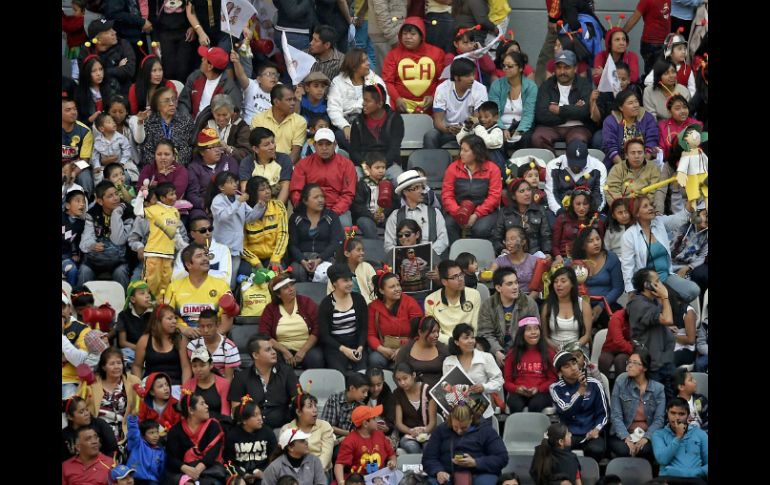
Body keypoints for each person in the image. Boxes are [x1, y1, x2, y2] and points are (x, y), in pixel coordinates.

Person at [620, 198, 700, 302]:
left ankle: (674, 306)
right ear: (637, 213)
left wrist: (691, 201)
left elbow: (679, 219)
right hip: (648, 283)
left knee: (693, 290)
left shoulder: (659, 222)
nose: (650, 208)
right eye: (645, 206)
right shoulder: (629, 235)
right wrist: (631, 291)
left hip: (666, 276)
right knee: (669, 301)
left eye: (650, 204)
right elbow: (627, 266)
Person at [422, 398, 509, 485]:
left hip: (480, 473)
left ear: (471, 418)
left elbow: (502, 458)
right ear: (451, 419)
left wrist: (476, 462)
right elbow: (429, 458)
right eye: (455, 427)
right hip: (447, 473)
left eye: (464, 427)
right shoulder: (441, 430)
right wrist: (438, 471)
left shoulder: (486, 431)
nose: (459, 431)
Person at [164, 243, 237, 337]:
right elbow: (166, 318)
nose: (205, 258)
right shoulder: (174, 287)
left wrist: (210, 337)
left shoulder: (222, 286)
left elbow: (227, 322)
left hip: (213, 338)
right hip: (182, 337)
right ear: (188, 264)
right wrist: (183, 329)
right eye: (199, 256)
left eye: (206, 255)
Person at [228, 334, 299, 430]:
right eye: (268, 350)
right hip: (252, 431)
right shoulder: (241, 378)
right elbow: (236, 410)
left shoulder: (287, 372)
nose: (274, 352)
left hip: (283, 429)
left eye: (273, 349)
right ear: (255, 355)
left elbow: (298, 401)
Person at [290, 128, 358, 227]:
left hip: (338, 210)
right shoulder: (303, 164)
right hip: (309, 209)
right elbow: (296, 192)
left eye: (328, 144)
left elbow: (348, 194)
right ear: (314, 145)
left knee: (346, 226)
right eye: (320, 144)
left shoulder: (347, 165)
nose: (324, 148)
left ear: (335, 145)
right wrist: (307, 210)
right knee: (298, 226)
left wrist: (333, 213)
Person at [442, 134, 503, 242]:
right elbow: (447, 195)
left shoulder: (493, 169)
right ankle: (455, 252)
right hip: (458, 209)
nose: (461, 153)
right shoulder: (453, 168)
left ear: (476, 152)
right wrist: (459, 214)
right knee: (448, 225)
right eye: (461, 149)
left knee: (481, 229)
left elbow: (494, 197)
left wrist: (476, 215)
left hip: (484, 210)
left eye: (465, 151)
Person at [549, 351, 608, 462]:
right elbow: (566, 410)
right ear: (560, 373)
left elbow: (604, 413)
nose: (573, 368)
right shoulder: (555, 388)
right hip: (568, 434)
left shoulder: (594, 384)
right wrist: (580, 392)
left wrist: (597, 429)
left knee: (596, 450)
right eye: (567, 366)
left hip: (590, 432)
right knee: (557, 451)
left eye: (574, 363)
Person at [207, 170, 262, 288]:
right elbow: (223, 217)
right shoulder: (218, 200)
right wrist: (238, 202)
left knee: (232, 278)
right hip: (222, 245)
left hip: (236, 245)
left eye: (235, 182)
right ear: (221, 187)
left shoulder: (238, 198)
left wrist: (260, 206)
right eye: (230, 182)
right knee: (221, 276)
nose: (235, 185)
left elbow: (250, 218)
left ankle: (230, 296)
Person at [626, 269, 677, 393]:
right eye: (657, 281)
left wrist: (665, 329)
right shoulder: (638, 304)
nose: (661, 285)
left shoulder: (652, 300)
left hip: (665, 361)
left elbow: (659, 321)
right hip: (653, 366)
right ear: (647, 285)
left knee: (671, 401)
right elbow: (667, 319)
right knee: (655, 400)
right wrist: (665, 296)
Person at [259, 273, 326, 369]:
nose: (291, 289)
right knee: (273, 359)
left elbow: (317, 327)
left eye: (292, 285)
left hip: (307, 348)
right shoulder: (270, 309)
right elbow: (264, 334)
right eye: (286, 288)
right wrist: (284, 351)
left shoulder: (306, 302)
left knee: (316, 358)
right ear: (278, 294)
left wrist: (303, 350)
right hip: (281, 349)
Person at [609, 347, 665, 460]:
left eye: (635, 363)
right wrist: (626, 438)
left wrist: (646, 437)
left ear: (644, 368)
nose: (630, 365)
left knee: (645, 450)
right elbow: (616, 415)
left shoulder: (658, 389)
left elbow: (659, 419)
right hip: (623, 432)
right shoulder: (621, 381)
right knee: (625, 450)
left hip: (646, 433)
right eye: (629, 362)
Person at [532, 50, 593, 152]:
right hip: (550, 127)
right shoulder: (547, 85)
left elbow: (585, 111)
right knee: (537, 138)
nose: (562, 72)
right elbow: (541, 114)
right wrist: (572, 111)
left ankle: (572, 162)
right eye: (559, 67)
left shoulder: (584, 85)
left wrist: (559, 110)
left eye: (567, 67)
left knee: (578, 139)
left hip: (577, 127)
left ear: (575, 68)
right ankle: (552, 161)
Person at [382, 16, 445, 114]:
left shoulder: (437, 53)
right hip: (399, 106)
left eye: (413, 34)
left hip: (430, 106)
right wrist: (397, 98)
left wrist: (433, 96)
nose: (408, 37)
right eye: (404, 34)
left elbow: (442, 80)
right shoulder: (392, 55)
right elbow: (387, 81)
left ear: (421, 36)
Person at [79, 346, 141, 445]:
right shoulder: (90, 384)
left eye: (119, 363)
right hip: (97, 437)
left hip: (126, 436)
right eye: (112, 363)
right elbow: (79, 407)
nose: (117, 367)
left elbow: (141, 409)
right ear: (103, 367)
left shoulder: (134, 382)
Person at [478, 267, 540, 364]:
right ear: (498, 288)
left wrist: (514, 352)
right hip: (494, 351)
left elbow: (534, 331)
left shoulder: (528, 303)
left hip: (521, 348)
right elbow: (485, 333)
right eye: (510, 284)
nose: (515, 287)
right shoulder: (488, 305)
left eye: (516, 282)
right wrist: (497, 351)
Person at [78, 181, 134, 288]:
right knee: (84, 271)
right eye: (110, 196)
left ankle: (124, 299)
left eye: (116, 194)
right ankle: (81, 298)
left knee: (121, 272)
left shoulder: (127, 212)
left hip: (119, 261)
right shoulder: (93, 213)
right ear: (100, 201)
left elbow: (119, 240)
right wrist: (92, 245)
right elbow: (85, 240)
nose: (116, 198)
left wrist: (116, 213)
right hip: (96, 260)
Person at [327, 48, 388, 146]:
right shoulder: (338, 82)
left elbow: (385, 104)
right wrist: (345, 126)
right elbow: (333, 109)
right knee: (340, 136)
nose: (368, 63)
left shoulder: (375, 80)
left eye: (367, 60)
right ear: (354, 66)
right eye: (364, 61)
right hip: (347, 123)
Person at [443, 323, 505, 419]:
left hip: (482, 413)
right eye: (466, 338)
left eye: (472, 337)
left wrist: (484, 387)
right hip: (459, 415)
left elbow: (499, 381)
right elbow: (446, 388)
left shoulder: (486, 357)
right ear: (456, 342)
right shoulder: (448, 362)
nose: (470, 341)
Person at [424, 58, 488, 149]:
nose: (472, 78)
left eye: (473, 74)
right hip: (447, 131)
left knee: (480, 134)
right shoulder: (442, 88)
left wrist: (464, 129)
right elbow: (438, 121)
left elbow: (477, 117)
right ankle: (432, 158)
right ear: (456, 77)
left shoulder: (480, 89)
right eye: (467, 76)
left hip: (470, 131)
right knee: (430, 136)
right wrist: (447, 129)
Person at [287, 183, 345, 282]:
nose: (321, 200)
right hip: (302, 258)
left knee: (327, 271)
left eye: (322, 197)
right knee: (297, 272)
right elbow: (292, 245)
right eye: (316, 197)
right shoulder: (296, 218)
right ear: (305, 201)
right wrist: (303, 260)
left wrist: (319, 259)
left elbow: (335, 242)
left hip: (325, 257)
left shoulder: (331, 216)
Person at [319, 263, 370, 373]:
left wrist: (360, 347)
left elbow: (364, 328)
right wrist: (344, 350)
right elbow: (324, 335)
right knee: (339, 374)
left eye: (350, 280)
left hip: (356, 344)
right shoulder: (326, 304)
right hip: (335, 346)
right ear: (334, 283)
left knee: (362, 374)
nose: (350, 283)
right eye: (345, 281)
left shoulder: (359, 299)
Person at [165, 392, 226, 484]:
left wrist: (197, 470)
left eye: (205, 403)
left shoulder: (213, 425)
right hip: (184, 471)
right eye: (202, 404)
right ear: (191, 410)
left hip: (209, 470)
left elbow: (213, 452)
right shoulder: (176, 430)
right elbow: (172, 457)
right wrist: (186, 469)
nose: (207, 406)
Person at [384, 171, 450, 257]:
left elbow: (443, 240)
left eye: (422, 187)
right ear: (405, 192)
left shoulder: (435, 213)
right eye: (416, 188)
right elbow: (389, 245)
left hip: (431, 259)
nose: (422, 191)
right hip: (404, 261)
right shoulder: (395, 216)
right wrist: (405, 257)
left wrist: (426, 255)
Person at [368, 270, 424, 368]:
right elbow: (370, 335)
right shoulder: (373, 307)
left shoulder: (410, 302)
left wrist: (404, 349)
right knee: (374, 359)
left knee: (402, 364)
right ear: (382, 291)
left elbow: (420, 331)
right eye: (392, 287)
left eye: (398, 285)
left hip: (408, 347)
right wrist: (382, 349)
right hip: (385, 348)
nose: (397, 289)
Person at [503, 315, 557, 415]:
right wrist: (517, 389)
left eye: (536, 328)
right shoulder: (512, 354)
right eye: (528, 329)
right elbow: (507, 382)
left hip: (541, 392)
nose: (533, 332)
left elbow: (553, 379)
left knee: (535, 404)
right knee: (515, 405)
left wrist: (538, 389)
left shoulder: (549, 352)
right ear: (521, 333)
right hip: (518, 392)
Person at [571, 226, 624, 328]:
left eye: (598, 239)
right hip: (582, 305)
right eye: (590, 241)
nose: (596, 243)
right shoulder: (576, 262)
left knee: (616, 321)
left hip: (607, 304)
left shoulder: (611, 258)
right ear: (582, 245)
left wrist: (600, 306)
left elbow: (618, 288)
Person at [349, 85, 405, 179]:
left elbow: (394, 149)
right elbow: (354, 151)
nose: (363, 104)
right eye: (363, 100)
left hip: (388, 164)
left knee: (399, 178)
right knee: (355, 176)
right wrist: (365, 166)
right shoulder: (358, 121)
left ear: (379, 104)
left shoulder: (395, 119)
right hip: (364, 165)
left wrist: (379, 167)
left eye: (367, 101)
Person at [334, 405, 397, 484]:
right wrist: (341, 481)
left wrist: (392, 462)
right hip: (359, 481)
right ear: (365, 423)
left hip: (380, 479)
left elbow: (392, 455)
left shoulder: (380, 435)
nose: (377, 421)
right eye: (374, 418)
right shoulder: (350, 440)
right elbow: (339, 464)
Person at [133, 305, 192, 389]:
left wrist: (184, 390)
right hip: (152, 388)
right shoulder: (145, 340)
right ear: (158, 321)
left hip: (175, 386)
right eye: (169, 318)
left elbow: (186, 367)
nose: (174, 321)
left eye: (175, 318)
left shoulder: (180, 339)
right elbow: (137, 366)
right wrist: (139, 386)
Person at [186, 127, 240, 219]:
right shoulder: (194, 167)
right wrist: (207, 206)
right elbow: (192, 194)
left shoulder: (230, 161)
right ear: (202, 152)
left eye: (218, 146)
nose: (217, 150)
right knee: (199, 221)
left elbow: (236, 186)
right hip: (205, 206)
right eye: (212, 147)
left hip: (230, 203)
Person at [651, 398, 708, 484]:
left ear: (688, 415)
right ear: (667, 412)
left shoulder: (700, 434)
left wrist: (695, 472)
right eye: (673, 413)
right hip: (668, 478)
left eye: (681, 414)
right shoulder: (658, 434)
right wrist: (678, 437)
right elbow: (662, 460)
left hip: (694, 479)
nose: (677, 418)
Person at [489, 51, 538, 151]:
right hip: (499, 125)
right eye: (504, 66)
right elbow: (494, 113)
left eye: (510, 66)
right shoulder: (496, 85)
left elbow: (528, 114)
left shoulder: (531, 87)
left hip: (523, 126)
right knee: (496, 137)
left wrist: (519, 131)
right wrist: (502, 128)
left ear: (520, 68)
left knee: (525, 138)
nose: (505, 68)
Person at [240, 175, 290, 274]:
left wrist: (275, 258)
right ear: (253, 193)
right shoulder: (243, 210)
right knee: (245, 273)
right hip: (251, 257)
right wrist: (256, 263)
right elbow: (241, 245)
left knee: (275, 274)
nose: (267, 192)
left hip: (274, 256)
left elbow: (283, 235)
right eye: (262, 190)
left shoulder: (278, 206)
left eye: (268, 188)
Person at [424, 260, 482, 344]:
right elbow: (432, 331)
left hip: (468, 342)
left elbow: (475, 326)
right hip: (443, 344)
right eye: (455, 277)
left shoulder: (474, 294)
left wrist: (466, 341)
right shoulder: (430, 300)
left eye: (461, 275)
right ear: (444, 282)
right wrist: (453, 342)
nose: (461, 279)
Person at [178, 46, 242, 119]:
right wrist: (187, 121)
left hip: (213, 125)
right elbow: (183, 102)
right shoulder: (195, 76)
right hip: (190, 122)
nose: (202, 59)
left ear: (210, 67)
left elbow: (232, 114)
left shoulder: (230, 88)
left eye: (205, 58)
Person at [493, 178, 552, 258]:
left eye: (528, 190)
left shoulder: (539, 210)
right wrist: (502, 249)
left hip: (534, 254)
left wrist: (547, 252)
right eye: (522, 191)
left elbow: (546, 235)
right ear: (513, 196)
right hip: (512, 254)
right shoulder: (504, 212)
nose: (527, 194)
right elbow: (497, 238)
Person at [136, 86, 194, 166]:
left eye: (173, 100)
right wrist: (160, 166)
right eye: (166, 101)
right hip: (154, 168)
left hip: (180, 167)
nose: (171, 103)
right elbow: (146, 150)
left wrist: (175, 165)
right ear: (157, 105)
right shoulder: (149, 122)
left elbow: (188, 148)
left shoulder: (186, 121)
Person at [225, 397, 278, 484]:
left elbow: (275, 457)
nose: (260, 418)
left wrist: (264, 471)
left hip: (263, 475)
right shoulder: (233, 435)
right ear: (244, 420)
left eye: (260, 414)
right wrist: (242, 475)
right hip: (240, 476)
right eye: (255, 415)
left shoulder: (268, 432)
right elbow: (227, 462)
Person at [78, 18, 137, 95]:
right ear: (98, 40)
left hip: (122, 92)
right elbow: (86, 75)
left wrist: (99, 71)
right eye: (108, 32)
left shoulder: (123, 44)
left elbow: (129, 71)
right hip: (95, 94)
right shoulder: (87, 50)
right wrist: (118, 68)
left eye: (112, 29)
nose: (114, 32)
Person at [280, 392, 336, 473]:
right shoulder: (286, 430)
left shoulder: (324, 426)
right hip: (293, 472)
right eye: (310, 406)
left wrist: (308, 474)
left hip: (320, 472)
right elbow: (284, 458)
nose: (315, 410)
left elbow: (325, 458)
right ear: (299, 412)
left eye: (315, 406)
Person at [251, 84, 307, 164]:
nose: (293, 103)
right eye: (289, 100)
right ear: (276, 102)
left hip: (288, 166)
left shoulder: (300, 121)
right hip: (263, 165)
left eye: (294, 99)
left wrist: (282, 168)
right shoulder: (258, 119)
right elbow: (257, 150)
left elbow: (295, 153)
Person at [602, 90, 660, 167]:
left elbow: (651, 141)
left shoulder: (647, 118)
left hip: (645, 162)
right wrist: (623, 168)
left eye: (636, 101)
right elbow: (610, 147)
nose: (635, 105)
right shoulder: (611, 121)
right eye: (630, 103)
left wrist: (643, 166)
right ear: (621, 108)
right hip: (618, 164)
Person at [541, 266, 593, 350]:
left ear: (572, 284)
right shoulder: (547, 306)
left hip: (577, 347)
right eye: (556, 281)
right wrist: (556, 348)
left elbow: (587, 335)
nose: (558, 285)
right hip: (553, 349)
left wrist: (573, 347)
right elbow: (545, 336)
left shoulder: (583, 305)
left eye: (563, 281)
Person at [605, 139, 663, 214]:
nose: (636, 156)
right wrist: (624, 209)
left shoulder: (653, 168)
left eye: (640, 152)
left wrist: (641, 208)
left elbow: (654, 192)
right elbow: (612, 191)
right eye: (633, 153)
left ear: (644, 154)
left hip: (645, 210)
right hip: (623, 211)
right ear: (626, 155)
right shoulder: (617, 169)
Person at [238, 127, 293, 206]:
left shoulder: (284, 159)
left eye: (273, 142)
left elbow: (285, 187)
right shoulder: (246, 163)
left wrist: (276, 208)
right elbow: (245, 189)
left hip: (278, 206)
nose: (272, 147)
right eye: (266, 145)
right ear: (255, 149)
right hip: (254, 207)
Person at [351, 156, 400, 238]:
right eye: (377, 168)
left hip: (385, 216)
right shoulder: (362, 184)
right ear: (368, 169)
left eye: (383, 168)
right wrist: (372, 215)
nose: (381, 170)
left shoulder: (389, 183)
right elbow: (357, 206)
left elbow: (395, 203)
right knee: (365, 223)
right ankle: (375, 244)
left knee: (395, 222)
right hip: (367, 217)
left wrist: (385, 214)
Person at [172, 216, 232, 284]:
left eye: (210, 229)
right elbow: (175, 278)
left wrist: (196, 271)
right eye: (202, 231)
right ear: (192, 234)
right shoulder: (185, 252)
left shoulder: (223, 250)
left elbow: (225, 279)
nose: (208, 233)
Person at [395, 316, 450, 389]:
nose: (437, 335)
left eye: (438, 331)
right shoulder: (405, 351)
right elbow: (397, 375)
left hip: (439, 392)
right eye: (433, 332)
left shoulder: (443, 349)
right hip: (413, 392)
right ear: (420, 332)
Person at [186, 309, 241, 381]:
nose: (206, 330)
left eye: (209, 326)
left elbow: (228, 378)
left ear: (217, 325)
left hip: (222, 385)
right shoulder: (193, 346)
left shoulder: (229, 347)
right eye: (202, 326)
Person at [261, 427, 327, 485]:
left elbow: (321, 483)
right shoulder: (274, 467)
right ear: (290, 448)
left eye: (305, 440)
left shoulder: (314, 461)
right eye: (302, 441)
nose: (306, 443)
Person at [486, 226, 542, 294]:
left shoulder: (534, 261)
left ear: (523, 242)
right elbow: (489, 274)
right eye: (506, 240)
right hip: (506, 297)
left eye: (512, 239)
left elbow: (537, 289)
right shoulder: (500, 261)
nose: (508, 243)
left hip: (528, 297)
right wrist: (481, 275)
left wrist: (527, 300)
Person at [623, 0, 673, 76]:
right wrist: (620, 34)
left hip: (665, 42)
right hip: (652, 44)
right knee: (653, 76)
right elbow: (634, 18)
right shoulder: (646, 1)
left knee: (662, 74)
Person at [62, 396, 119, 462]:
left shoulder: (99, 424)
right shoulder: (64, 435)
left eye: (87, 409)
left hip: (103, 465)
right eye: (81, 412)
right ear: (70, 416)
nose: (87, 413)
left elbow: (113, 450)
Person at [182, 346, 232, 420]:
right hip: (195, 424)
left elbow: (225, 414)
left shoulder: (223, 384)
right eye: (194, 366)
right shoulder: (188, 385)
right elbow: (185, 413)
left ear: (211, 365)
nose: (198, 369)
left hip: (218, 423)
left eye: (202, 365)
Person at [327, 237, 378, 305]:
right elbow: (331, 295)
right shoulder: (336, 271)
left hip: (367, 305)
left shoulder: (367, 267)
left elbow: (375, 290)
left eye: (362, 250)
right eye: (358, 250)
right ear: (347, 253)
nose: (362, 253)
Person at [321, 372, 370, 441]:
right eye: (363, 391)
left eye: (367, 392)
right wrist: (349, 433)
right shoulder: (334, 399)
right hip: (333, 440)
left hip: (352, 441)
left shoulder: (361, 405)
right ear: (352, 388)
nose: (366, 395)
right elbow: (327, 426)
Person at [62, 97, 95, 195]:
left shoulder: (85, 131)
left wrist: (74, 173)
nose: (73, 112)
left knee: (85, 178)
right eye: (68, 110)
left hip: (76, 166)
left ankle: (86, 201)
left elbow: (85, 160)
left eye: (75, 109)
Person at [233, 57, 279, 126]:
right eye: (269, 74)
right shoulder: (252, 85)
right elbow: (241, 75)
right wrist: (236, 61)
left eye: (275, 74)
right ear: (259, 79)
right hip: (249, 126)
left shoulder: (281, 89)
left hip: (269, 128)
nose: (273, 77)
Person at [91, 113, 133, 185]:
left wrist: (122, 162)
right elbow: (95, 155)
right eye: (109, 122)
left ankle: (126, 190)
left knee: (125, 175)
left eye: (113, 121)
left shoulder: (121, 138)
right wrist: (97, 166)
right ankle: (102, 190)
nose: (113, 123)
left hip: (119, 164)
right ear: (101, 128)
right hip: (105, 167)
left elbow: (127, 151)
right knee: (99, 176)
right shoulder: (98, 140)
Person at [125, 414, 166, 485]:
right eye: (151, 433)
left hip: (152, 481)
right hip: (135, 478)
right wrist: (133, 418)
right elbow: (133, 431)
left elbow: (162, 470)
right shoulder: (137, 443)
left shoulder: (160, 451)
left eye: (157, 432)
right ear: (143, 435)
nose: (155, 436)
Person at [62, 188, 87, 286]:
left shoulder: (82, 224)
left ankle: (71, 293)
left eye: (83, 202)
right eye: (78, 201)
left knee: (72, 270)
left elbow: (77, 242)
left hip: (66, 258)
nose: (82, 204)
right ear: (67, 205)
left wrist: (75, 254)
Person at [365, 368, 397, 438]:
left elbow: (391, 422)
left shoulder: (389, 397)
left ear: (383, 381)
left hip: (384, 434)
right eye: (372, 385)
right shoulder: (362, 396)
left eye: (379, 385)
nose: (376, 389)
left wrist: (387, 428)